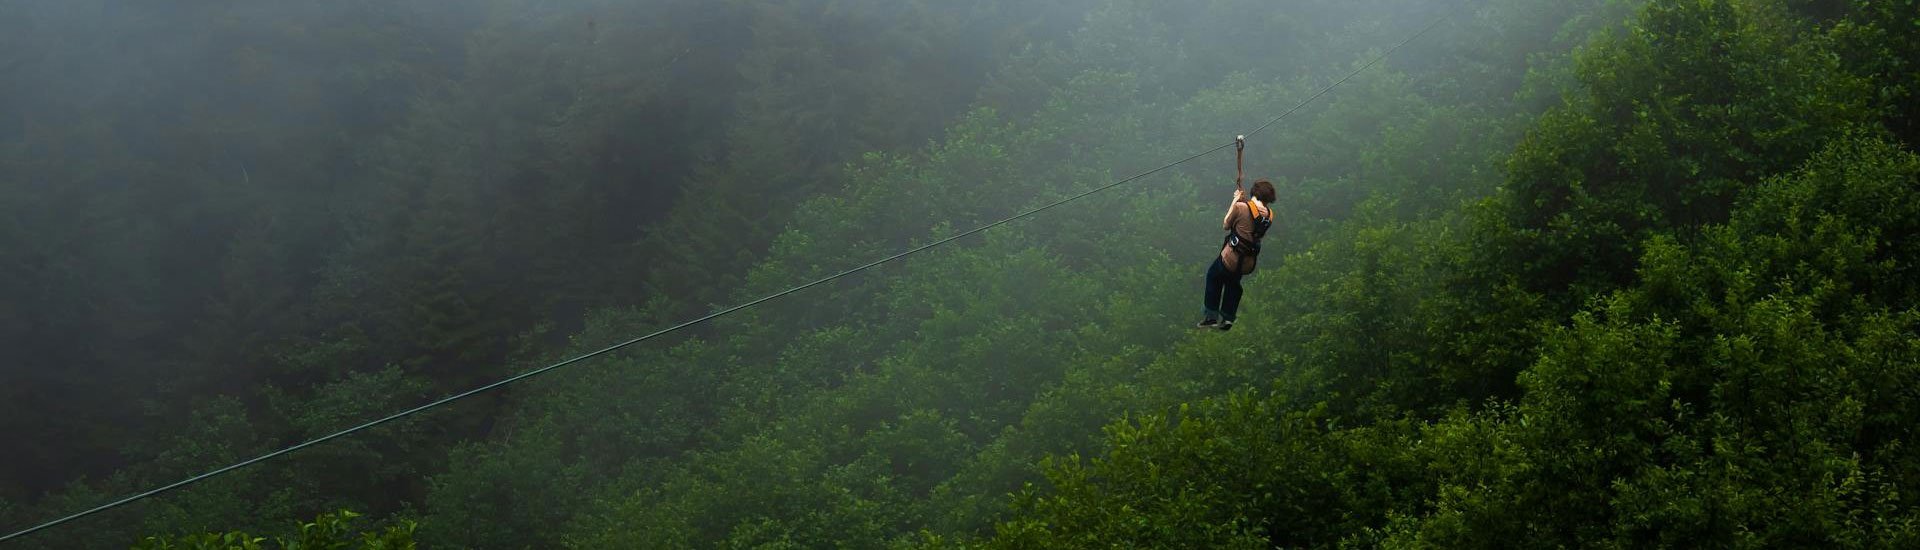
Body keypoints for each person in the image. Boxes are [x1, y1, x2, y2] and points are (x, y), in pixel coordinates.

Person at [1197, 178, 1274, 331]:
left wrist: (1235, 200)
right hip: (1247, 263)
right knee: (1232, 282)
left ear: (1254, 192)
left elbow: (1226, 224)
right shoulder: (1269, 216)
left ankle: (1211, 316)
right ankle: (1228, 317)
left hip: (1231, 258)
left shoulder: (1240, 207)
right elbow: (1251, 222)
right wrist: (1241, 203)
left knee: (1214, 275)